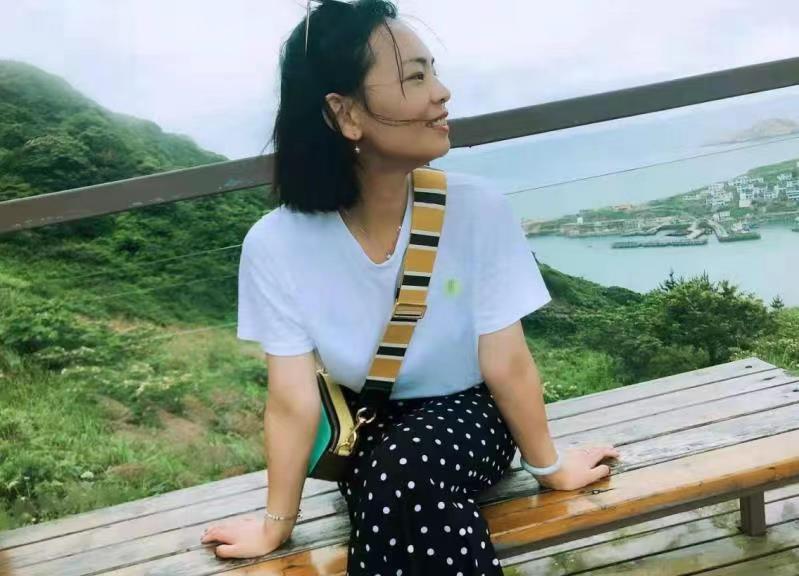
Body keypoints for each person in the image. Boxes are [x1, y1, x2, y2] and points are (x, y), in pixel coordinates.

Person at [200, 0, 620, 572]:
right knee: (397, 476)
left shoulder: (477, 208)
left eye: (433, 73)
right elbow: (293, 400)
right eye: (415, 78)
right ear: (345, 113)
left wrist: (550, 468)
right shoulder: (275, 243)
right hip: (368, 426)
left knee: (404, 472)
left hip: (472, 415)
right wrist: (277, 524)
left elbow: (506, 362)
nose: (442, 93)